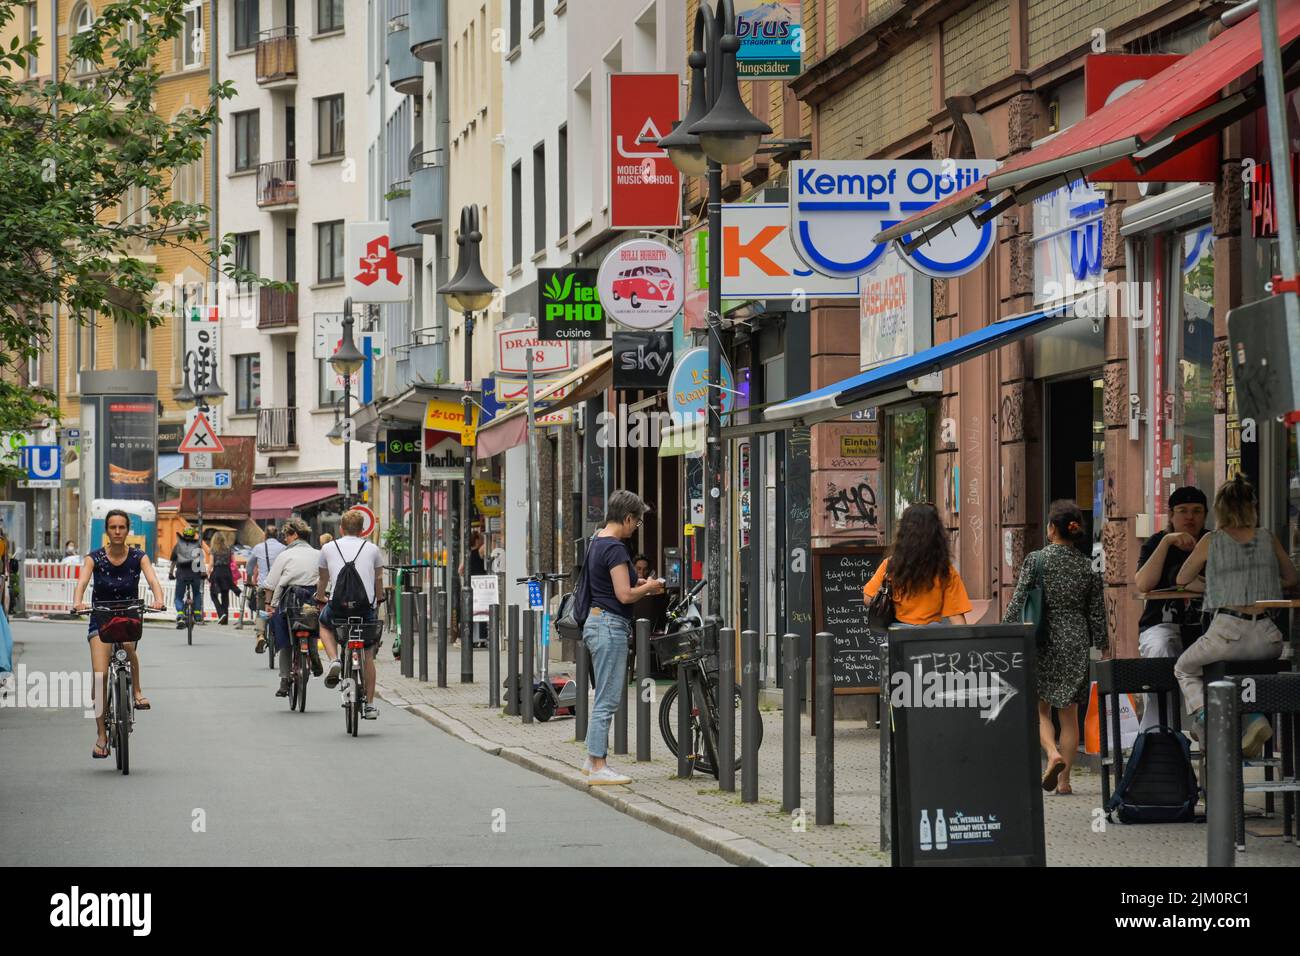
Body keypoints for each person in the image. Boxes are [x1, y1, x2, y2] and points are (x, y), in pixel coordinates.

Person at [1174, 475, 1299, 757]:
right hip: (1269, 639)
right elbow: (1291, 578)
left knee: (1185, 667)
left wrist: (1211, 585)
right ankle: (1253, 718)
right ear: (1252, 507)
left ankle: (1207, 720)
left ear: (1220, 508)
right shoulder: (1267, 537)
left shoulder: (1212, 540)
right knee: (1234, 674)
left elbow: (1183, 578)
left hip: (1229, 633)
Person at [1004, 500, 1107, 795]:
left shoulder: (1037, 560)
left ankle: (1052, 753)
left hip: (1042, 638)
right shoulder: (1088, 567)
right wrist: (1102, 644)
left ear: (1051, 528)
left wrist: (1004, 630)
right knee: (1070, 714)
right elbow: (1097, 613)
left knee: (1039, 709)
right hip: (1075, 639)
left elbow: (1019, 601)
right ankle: (1065, 782)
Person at [581, 491, 665, 785]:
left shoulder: (597, 540)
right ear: (627, 518)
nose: (636, 528)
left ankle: (591, 758)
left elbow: (611, 584)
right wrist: (650, 586)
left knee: (604, 693)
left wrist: (638, 582)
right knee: (608, 696)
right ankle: (598, 765)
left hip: (596, 622)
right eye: (637, 522)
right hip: (609, 625)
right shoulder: (615, 548)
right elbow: (624, 594)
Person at [71, 509, 165, 759]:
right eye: (112, 527)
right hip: (101, 618)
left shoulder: (138, 557)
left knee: (129, 648)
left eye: (121, 527)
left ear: (127, 530)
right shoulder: (94, 558)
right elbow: (81, 584)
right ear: (107, 531)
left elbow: (153, 580)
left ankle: (136, 692)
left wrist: (159, 599)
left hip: (128, 615)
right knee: (101, 677)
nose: (117, 532)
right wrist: (78, 601)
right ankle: (101, 736)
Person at [1133, 486, 1208, 730]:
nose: (1190, 517)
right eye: (1183, 511)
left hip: (1205, 627)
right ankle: (1158, 731)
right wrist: (1166, 542)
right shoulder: (1157, 542)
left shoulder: (1211, 541)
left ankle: (1209, 724)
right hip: (1160, 625)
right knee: (1162, 647)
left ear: (1205, 515)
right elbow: (1144, 583)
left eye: (1197, 511)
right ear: (1171, 515)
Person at [315, 510, 385, 718]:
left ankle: (335, 660)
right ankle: (370, 705)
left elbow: (323, 579)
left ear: (341, 529)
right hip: (364, 608)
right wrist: (378, 599)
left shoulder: (328, 547)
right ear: (362, 530)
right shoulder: (372, 549)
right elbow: (379, 579)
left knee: (325, 624)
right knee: (368, 655)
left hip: (339, 606)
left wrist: (320, 597)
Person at [862, 503, 972, 626]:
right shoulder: (945, 571)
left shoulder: (891, 565)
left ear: (903, 533)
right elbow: (957, 618)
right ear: (937, 534)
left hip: (898, 637)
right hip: (930, 638)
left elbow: (868, 597)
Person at [264, 519, 324, 697]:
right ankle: (313, 655)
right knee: (310, 623)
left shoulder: (284, 555)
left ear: (295, 535)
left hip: (289, 600)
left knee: (284, 637)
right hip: (311, 599)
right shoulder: (318, 553)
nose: (284, 539)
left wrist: (269, 604)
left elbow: (270, 583)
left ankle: (284, 679)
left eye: (286, 535)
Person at [247, 525, 286, 654]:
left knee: (261, 611)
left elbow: (250, 565)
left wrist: (249, 579)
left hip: (263, 586)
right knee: (281, 611)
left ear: (265, 535)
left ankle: (261, 635)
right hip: (279, 587)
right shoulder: (283, 548)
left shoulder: (258, 548)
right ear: (278, 536)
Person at [168, 526, 206, 628]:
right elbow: (201, 561)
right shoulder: (197, 545)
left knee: (178, 597)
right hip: (195, 574)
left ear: (183, 535)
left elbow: (173, 561)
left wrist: (171, 573)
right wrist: (203, 573)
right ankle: (197, 614)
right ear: (194, 535)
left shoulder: (178, 545)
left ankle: (180, 614)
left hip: (181, 574)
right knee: (197, 594)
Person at [207, 532, 236, 625]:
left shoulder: (213, 549)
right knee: (225, 595)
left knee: (213, 594)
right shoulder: (229, 549)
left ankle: (221, 613)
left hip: (217, 572)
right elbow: (233, 562)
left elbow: (211, 563)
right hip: (227, 572)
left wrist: (208, 572)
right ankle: (225, 619)